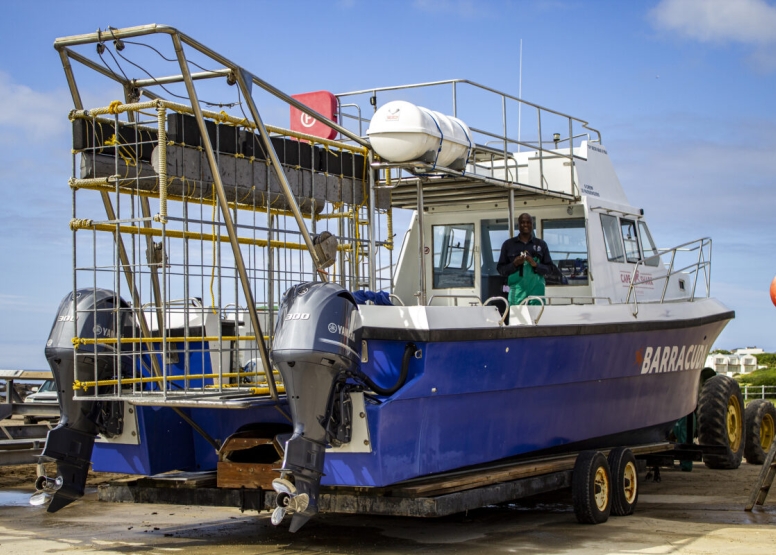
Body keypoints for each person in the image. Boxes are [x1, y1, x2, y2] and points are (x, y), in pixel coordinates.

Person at [497, 213, 553, 305]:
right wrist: (514, 264)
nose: (525, 225)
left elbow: (550, 269)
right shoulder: (508, 245)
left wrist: (535, 264)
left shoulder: (541, 244)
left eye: (528, 222)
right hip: (517, 294)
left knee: (537, 318)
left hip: (536, 294)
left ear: (532, 224)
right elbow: (501, 270)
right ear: (518, 225)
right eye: (522, 222)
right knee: (517, 319)